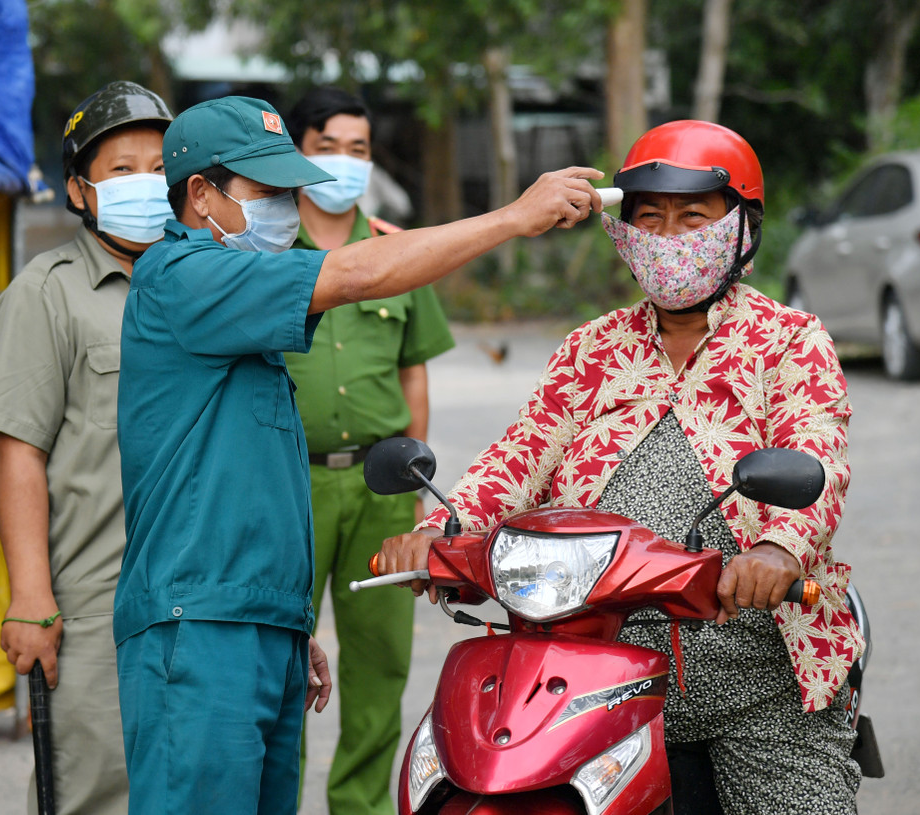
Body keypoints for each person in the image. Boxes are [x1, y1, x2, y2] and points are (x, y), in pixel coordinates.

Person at [114, 95, 604, 815]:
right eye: (266, 190)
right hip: (201, 627)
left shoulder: (237, 302)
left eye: (290, 190)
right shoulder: (182, 275)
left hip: (252, 621)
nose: (286, 206)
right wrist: (512, 218)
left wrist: (286, 622)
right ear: (201, 194)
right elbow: (355, 274)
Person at [380, 120, 865, 815]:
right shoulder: (591, 347)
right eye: (650, 218)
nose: (669, 237)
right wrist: (442, 529)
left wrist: (777, 548)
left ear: (742, 229)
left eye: (693, 217)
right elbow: (520, 453)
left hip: (759, 677)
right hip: (590, 673)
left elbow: (817, 450)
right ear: (626, 234)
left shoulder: (789, 340)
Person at [0, 81, 175, 815]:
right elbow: (18, 452)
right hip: (98, 603)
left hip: (200, 593)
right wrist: (31, 597)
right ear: (78, 190)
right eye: (122, 169)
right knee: (96, 793)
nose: (145, 183)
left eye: (159, 167)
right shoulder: (45, 294)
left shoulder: (201, 284)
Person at [281, 87, 454, 815]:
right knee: (279, 657)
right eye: (327, 147)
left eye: (358, 149)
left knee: (380, 659)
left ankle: (361, 804)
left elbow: (414, 369)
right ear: (296, 154)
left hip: (380, 485)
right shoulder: (266, 252)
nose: (344, 162)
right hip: (287, 485)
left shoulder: (394, 248)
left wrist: (414, 482)